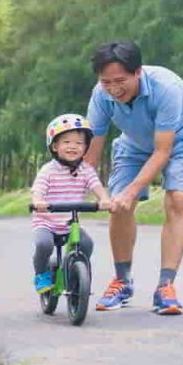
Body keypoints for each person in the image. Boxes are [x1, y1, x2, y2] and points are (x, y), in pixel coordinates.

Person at [83, 41, 183, 315]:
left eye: (120, 81)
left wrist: (132, 191)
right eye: (106, 82)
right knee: (119, 205)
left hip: (182, 142)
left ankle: (166, 287)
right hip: (134, 143)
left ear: (137, 72)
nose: (114, 89)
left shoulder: (166, 88)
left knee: (177, 199)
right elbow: (90, 156)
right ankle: (122, 281)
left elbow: (163, 151)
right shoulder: (100, 96)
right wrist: (87, 191)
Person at [31, 114, 112, 293]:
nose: (73, 147)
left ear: (85, 147)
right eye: (66, 142)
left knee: (86, 244)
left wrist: (104, 199)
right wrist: (38, 202)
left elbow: (96, 185)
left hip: (69, 223)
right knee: (44, 244)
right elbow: (38, 190)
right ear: (54, 146)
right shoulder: (48, 170)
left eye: (79, 143)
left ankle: (73, 269)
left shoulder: (85, 170)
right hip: (46, 222)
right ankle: (41, 274)